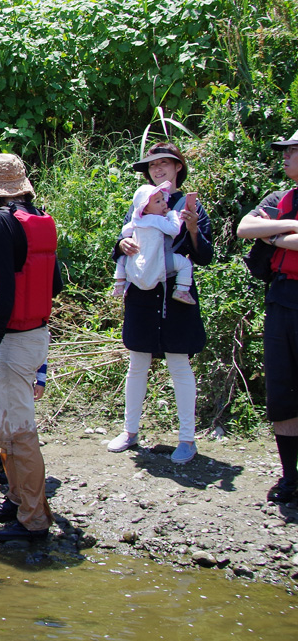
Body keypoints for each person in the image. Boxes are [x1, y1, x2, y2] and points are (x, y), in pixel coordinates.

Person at [0, 154, 63, 541]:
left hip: (12, 339)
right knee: (8, 425)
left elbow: (6, 289)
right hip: (36, 334)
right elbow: (55, 283)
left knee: (20, 430)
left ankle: (33, 519)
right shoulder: (41, 219)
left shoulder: (1, 221)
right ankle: (15, 500)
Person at [105, 143, 211, 464]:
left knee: (179, 365)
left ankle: (187, 439)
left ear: (178, 167)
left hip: (177, 300)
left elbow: (204, 256)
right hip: (141, 297)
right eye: (153, 165)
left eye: (165, 163)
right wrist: (121, 244)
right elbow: (123, 242)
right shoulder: (141, 201)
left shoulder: (190, 207)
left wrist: (192, 228)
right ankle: (130, 431)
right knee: (137, 363)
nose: (158, 169)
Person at [236, 129, 298, 503]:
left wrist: (269, 233)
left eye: (292, 151)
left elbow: (259, 231)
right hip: (281, 298)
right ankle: (290, 477)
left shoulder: (276, 206)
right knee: (282, 387)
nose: (286, 157)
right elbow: (246, 228)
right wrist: (287, 229)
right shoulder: (280, 198)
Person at [111, 182, 196, 304]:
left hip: (138, 260)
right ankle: (182, 290)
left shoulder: (136, 221)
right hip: (160, 260)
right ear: (145, 208)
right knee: (185, 264)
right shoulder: (158, 219)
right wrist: (172, 215)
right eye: (158, 202)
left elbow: (125, 231)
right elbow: (174, 229)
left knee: (122, 260)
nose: (163, 203)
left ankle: (119, 283)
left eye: (162, 199)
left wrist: (125, 240)